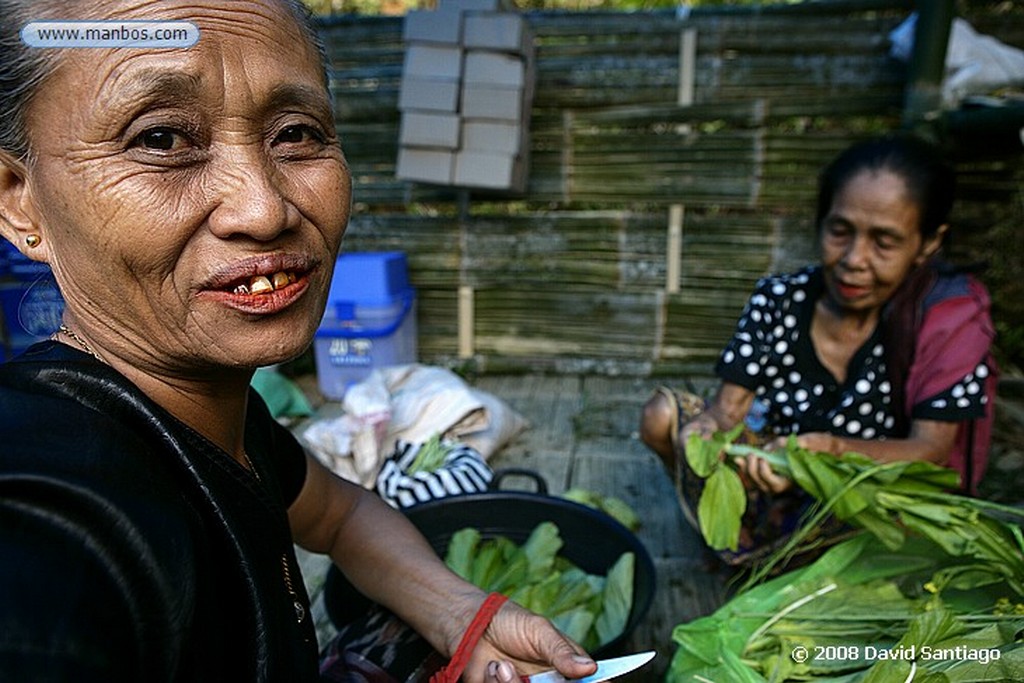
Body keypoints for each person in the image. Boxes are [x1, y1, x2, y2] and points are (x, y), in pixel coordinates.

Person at [0, 2, 600, 681]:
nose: (263, 208)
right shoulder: (58, 512)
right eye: (162, 139)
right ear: (18, 196)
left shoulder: (216, 418)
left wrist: (462, 612)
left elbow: (341, 513)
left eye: (295, 132)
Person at [640, 133, 997, 566]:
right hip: (773, 471)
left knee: (890, 529)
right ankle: (742, 543)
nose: (854, 258)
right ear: (821, 222)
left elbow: (930, 450)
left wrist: (828, 451)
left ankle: (804, 562)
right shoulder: (779, 298)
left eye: (884, 242)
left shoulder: (947, 320)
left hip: (863, 493)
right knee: (664, 416)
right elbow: (727, 410)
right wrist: (707, 433)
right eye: (840, 231)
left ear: (928, 242)